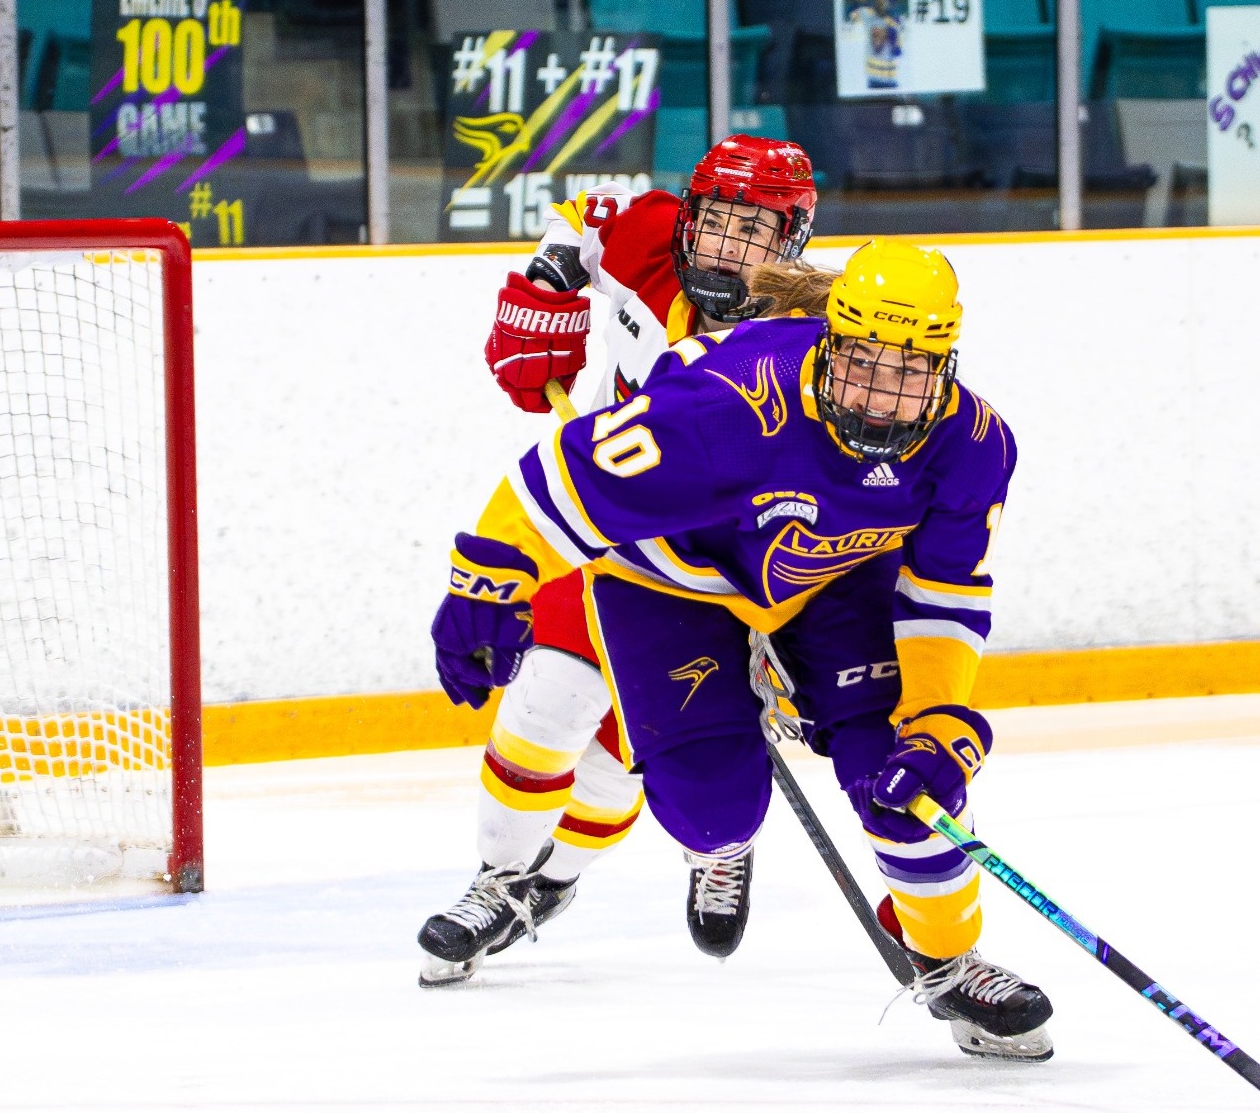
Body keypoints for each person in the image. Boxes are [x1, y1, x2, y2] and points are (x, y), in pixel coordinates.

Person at [428, 241, 1055, 1060]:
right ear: (830, 343)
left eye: (908, 374)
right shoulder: (727, 401)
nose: (878, 396)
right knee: (712, 806)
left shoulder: (972, 443)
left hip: (830, 582)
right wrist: (488, 577)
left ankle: (947, 956)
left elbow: (945, 591)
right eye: (862, 365)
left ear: (946, 368)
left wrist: (939, 718)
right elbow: (561, 478)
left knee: (910, 775)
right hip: (668, 578)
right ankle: (725, 812)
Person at [416, 135, 820, 986]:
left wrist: (801, 624)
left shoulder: (811, 338)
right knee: (546, 700)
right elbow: (579, 219)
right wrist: (549, 287)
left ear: (792, 240)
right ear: (689, 218)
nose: (725, 250)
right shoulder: (646, 234)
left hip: (720, 573)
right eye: (714, 225)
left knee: (618, 752)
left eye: (754, 232)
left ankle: (570, 877)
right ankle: (499, 878)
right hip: (602, 528)